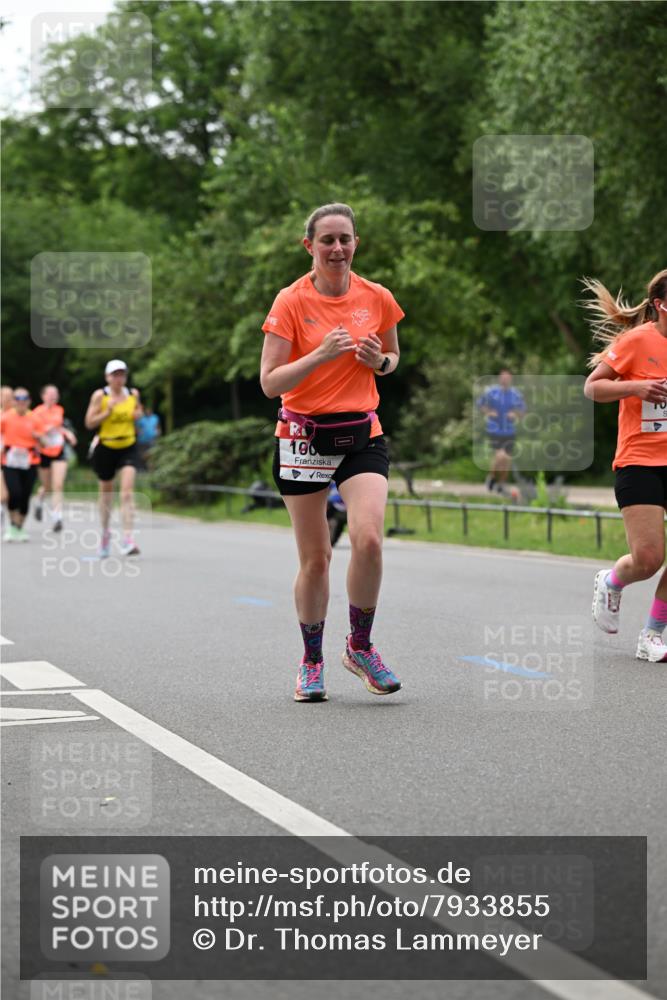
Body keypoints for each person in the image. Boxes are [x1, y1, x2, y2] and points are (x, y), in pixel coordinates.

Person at [260, 202, 404, 702]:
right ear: (309, 246)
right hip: (302, 437)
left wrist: (379, 360)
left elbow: (393, 357)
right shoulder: (291, 302)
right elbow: (269, 381)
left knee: (368, 539)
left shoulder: (377, 297)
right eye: (327, 240)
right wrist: (320, 354)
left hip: (361, 433)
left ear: (356, 243)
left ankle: (360, 647)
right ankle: (312, 660)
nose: (337, 248)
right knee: (316, 559)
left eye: (345, 239)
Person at [584, 268, 667, 661]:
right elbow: (593, 387)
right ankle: (613, 580)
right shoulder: (637, 341)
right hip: (640, 462)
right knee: (649, 559)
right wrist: (636, 386)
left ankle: (653, 634)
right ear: (660, 305)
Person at [84, 360, 143, 558]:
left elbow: (138, 412)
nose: (119, 378)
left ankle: (128, 539)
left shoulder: (133, 394)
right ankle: (105, 533)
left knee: (126, 492)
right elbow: (89, 423)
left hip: (128, 446)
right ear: (107, 377)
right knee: (106, 495)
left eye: (122, 374)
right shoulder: (100, 396)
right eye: (115, 375)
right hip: (106, 447)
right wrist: (106, 412)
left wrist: (137, 414)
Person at [1, 387, 46, 541]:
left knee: (25, 496)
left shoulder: (35, 419)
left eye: (24, 399)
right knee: (14, 493)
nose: (21, 402)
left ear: (29, 401)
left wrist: (38, 437)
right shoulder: (6, 418)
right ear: (13, 401)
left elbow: (45, 443)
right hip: (10, 461)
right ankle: (12, 525)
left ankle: (20, 527)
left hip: (30, 461)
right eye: (18, 399)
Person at [33, 384, 77, 532]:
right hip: (44, 451)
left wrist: (68, 434)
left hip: (59, 450)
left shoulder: (59, 410)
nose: (53, 396)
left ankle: (57, 516)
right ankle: (39, 501)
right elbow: (33, 431)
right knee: (46, 486)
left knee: (58, 485)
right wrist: (46, 430)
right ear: (43, 396)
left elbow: (59, 427)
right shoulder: (36, 412)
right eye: (50, 393)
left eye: (55, 393)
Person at [477, 367, 525, 493]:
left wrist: (515, 414)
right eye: (502, 377)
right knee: (500, 455)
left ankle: (501, 483)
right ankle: (492, 476)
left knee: (507, 459)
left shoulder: (516, 394)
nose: (505, 380)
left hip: (509, 430)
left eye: (507, 377)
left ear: (511, 379)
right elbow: (480, 404)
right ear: (499, 378)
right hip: (495, 430)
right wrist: (489, 412)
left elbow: (522, 411)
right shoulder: (491, 392)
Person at [1, 385, 14, 525]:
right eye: (5, 396)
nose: (8, 399)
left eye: (11, 397)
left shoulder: (17, 415)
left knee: (9, 492)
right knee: (3, 493)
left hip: (12, 459)